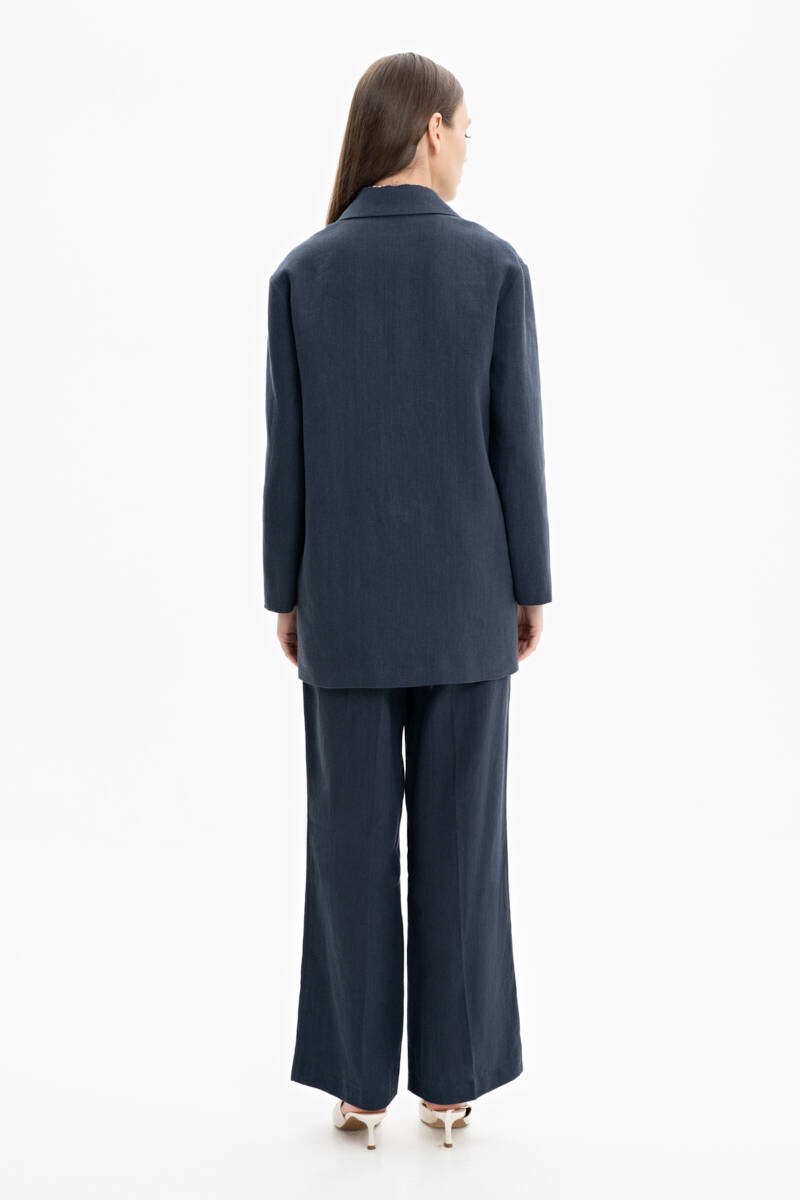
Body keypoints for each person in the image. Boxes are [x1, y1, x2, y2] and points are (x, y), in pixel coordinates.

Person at [262, 51, 552, 1149]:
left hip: (341, 605)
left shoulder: (304, 274)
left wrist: (284, 590)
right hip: (469, 603)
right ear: (429, 128)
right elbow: (516, 447)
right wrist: (528, 586)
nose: (468, 149)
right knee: (461, 846)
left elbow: (288, 456)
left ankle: (355, 1085)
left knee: (345, 847)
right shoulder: (493, 268)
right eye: (466, 130)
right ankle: (449, 1084)